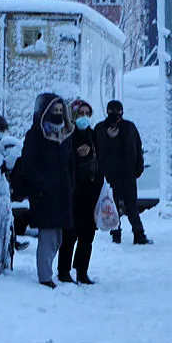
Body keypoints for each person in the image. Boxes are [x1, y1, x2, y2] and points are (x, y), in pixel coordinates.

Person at [21, 93, 76, 289]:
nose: (58, 114)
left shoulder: (64, 135)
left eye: (61, 110)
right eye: (54, 110)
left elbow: (69, 165)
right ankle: (45, 276)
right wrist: (42, 186)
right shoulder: (35, 135)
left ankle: (48, 271)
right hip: (45, 195)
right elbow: (29, 164)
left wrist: (70, 185)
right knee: (48, 236)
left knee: (58, 237)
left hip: (62, 195)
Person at [58, 99, 103, 284]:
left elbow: (100, 161)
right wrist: (77, 156)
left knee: (87, 235)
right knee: (69, 235)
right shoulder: (67, 136)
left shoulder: (93, 136)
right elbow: (62, 163)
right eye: (80, 114)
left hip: (91, 193)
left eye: (87, 114)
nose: (84, 118)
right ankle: (63, 271)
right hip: (73, 193)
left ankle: (81, 271)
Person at [94, 100, 151, 245]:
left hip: (127, 174)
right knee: (111, 205)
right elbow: (97, 149)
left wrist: (138, 168)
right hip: (109, 175)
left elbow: (137, 148)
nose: (115, 115)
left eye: (118, 112)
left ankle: (138, 233)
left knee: (132, 205)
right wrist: (108, 137)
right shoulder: (101, 128)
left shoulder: (129, 127)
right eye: (112, 112)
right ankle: (115, 233)